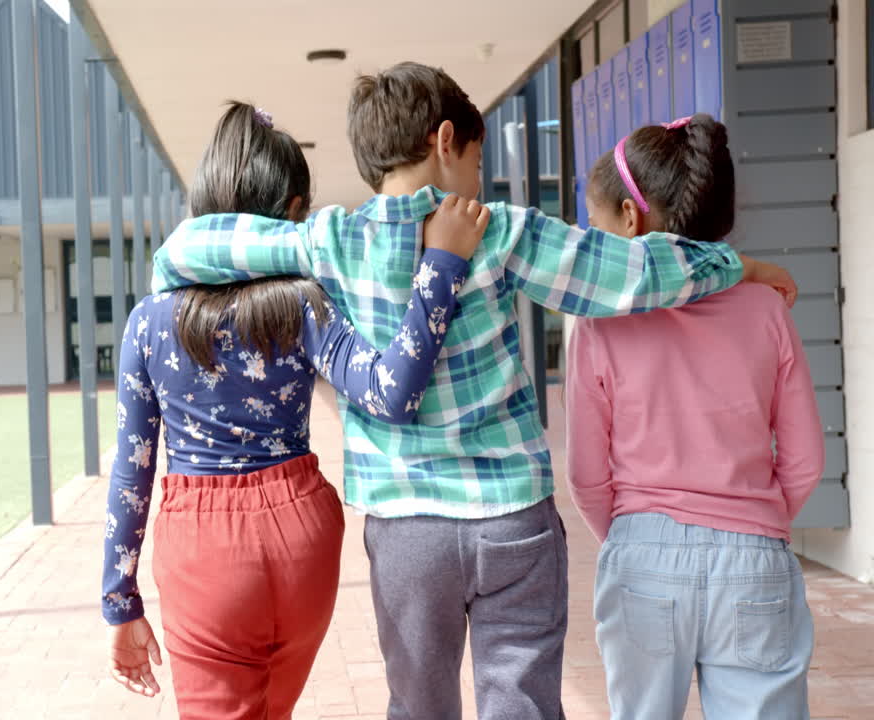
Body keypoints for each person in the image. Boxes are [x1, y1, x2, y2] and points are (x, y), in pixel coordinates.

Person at [148, 63, 799, 720]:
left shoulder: (334, 240)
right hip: (511, 517)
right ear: (445, 141)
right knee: (522, 700)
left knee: (419, 703)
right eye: (479, 158)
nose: (481, 178)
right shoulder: (503, 230)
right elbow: (632, 273)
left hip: (406, 528)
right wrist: (735, 265)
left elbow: (188, 248)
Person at [101, 101, 487, 719]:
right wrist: (441, 265)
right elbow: (392, 391)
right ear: (289, 218)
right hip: (302, 535)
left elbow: (131, 472)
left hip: (204, 550)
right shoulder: (306, 304)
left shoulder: (150, 323)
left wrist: (120, 600)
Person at [565, 114, 823, 720]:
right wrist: (751, 521)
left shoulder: (600, 318)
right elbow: (807, 460)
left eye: (595, 222)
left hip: (642, 554)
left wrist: (638, 535)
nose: (591, 234)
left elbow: (585, 474)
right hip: (754, 555)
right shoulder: (767, 307)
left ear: (630, 218)